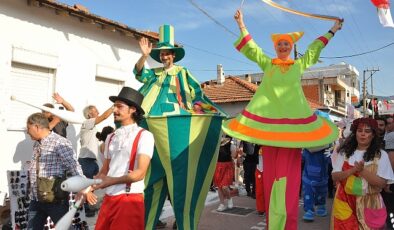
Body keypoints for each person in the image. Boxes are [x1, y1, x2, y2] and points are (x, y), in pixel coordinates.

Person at [222, 9, 342, 229]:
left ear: (291, 48)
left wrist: (333, 30)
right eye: (280, 45)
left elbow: (315, 50)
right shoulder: (268, 65)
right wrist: (241, 24)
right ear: (276, 48)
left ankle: (287, 223)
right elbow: (252, 49)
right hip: (270, 128)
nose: (283, 47)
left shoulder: (298, 65)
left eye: (287, 44)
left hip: (292, 129)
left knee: (288, 180)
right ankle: (273, 223)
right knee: (271, 179)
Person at [133, 24, 226, 229]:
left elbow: (198, 96)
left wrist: (211, 113)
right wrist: (143, 56)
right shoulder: (154, 75)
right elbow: (139, 74)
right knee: (151, 183)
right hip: (152, 126)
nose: (165, 56)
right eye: (161, 54)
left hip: (177, 127)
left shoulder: (183, 73)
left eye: (167, 53)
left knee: (182, 185)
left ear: (173, 55)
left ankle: (184, 224)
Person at [88, 87, 154, 230]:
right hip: (109, 198)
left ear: (133, 110)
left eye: (119, 106)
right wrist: (89, 187)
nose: (114, 110)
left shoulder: (145, 136)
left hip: (129, 199)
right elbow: (104, 171)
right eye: (114, 106)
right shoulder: (111, 137)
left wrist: (112, 180)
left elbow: (140, 173)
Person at [331, 118, 394, 229]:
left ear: (373, 135)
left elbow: (382, 183)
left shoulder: (381, 155)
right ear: (355, 133)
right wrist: (352, 170)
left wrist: (362, 171)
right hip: (345, 202)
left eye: (367, 131)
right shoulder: (344, 152)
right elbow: (335, 176)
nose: (363, 134)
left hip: (370, 203)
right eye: (360, 131)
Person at [25, 113, 84, 229]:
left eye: (28, 128)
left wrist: (82, 189)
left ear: (37, 127)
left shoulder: (60, 142)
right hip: (36, 199)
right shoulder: (37, 144)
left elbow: (73, 166)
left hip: (55, 200)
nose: (27, 132)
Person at [78, 105, 114, 217]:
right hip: (86, 161)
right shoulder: (87, 122)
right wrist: (114, 106)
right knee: (87, 186)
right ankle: (86, 209)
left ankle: (89, 207)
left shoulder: (91, 127)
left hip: (91, 161)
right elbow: (103, 117)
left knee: (93, 185)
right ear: (89, 114)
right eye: (95, 110)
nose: (98, 111)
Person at [301, 144, 331, 222]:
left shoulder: (326, 150)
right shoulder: (306, 149)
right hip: (308, 177)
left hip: (321, 177)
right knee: (308, 194)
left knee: (321, 193)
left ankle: (321, 206)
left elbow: (330, 160)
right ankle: (309, 210)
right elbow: (302, 158)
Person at [214, 135, 237, 211]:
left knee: (224, 186)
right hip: (218, 166)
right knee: (219, 187)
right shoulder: (216, 145)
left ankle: (229, 198)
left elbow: (234, 156)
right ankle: (222, 204)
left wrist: (235, 153)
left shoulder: (231, 146)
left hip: (227, 166)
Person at [255, 145, 265, 216]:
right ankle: (261, 209)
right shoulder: (257, 146)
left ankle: (268, 207)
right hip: (259, 170)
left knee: (269, 190)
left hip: (269, 169)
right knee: (259, 190)